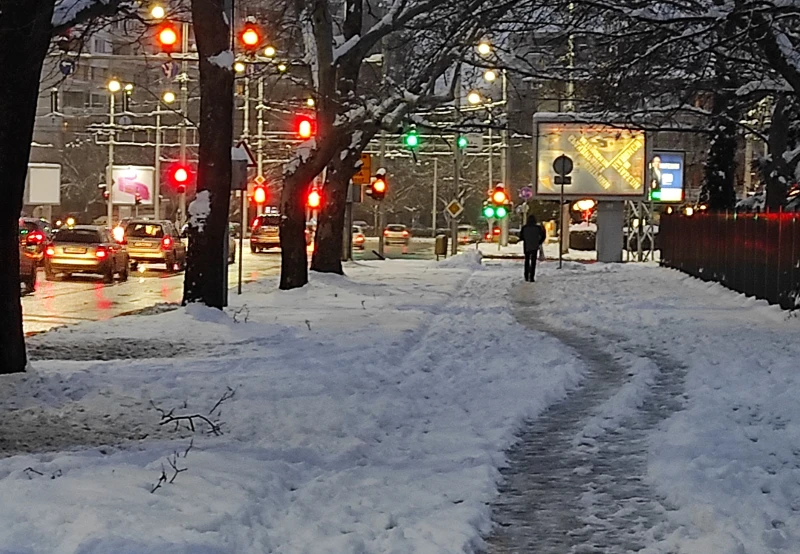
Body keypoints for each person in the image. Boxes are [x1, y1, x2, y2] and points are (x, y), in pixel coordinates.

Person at [521, 214, 546, 282]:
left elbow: (521, 237)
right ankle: (532, 277)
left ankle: (526, 276)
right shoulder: (538, 228)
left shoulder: (524, 227)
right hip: (535, 246)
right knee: (533, 261)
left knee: (527, 261)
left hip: (527, 246)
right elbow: (543, 235)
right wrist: (539, 242)